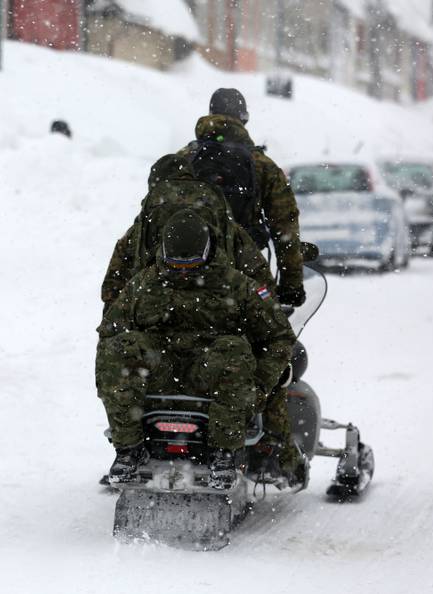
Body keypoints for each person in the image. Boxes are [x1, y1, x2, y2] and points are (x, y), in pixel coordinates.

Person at [95, 210, 297, 487]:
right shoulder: (143, 284)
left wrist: (260, 386)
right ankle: (129, 449)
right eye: (175, 264)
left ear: (208, 251)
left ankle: (223, 452)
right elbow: (110, 331)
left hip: (213, 373)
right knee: (119, 347)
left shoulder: (238, 287)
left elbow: (279, 337)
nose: (183, 272)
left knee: (233, 348)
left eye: (191, 264)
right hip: (162, 370)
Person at [178, 88, 305, 307]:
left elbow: (156, 214)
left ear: (210, 114)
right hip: (246, 273)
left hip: (186, 272)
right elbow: (285, 229)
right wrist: (291, 285)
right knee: (271, 334)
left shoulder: (183, 159)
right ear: (244, 118)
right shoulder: (262, 165)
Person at [100, 153, 275, 312]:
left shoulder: (151, 210)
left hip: (157, 310)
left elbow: (116, 278)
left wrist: (113, 320)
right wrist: (269, 305)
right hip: (217, 310)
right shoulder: (214, 203)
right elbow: (256, 270)